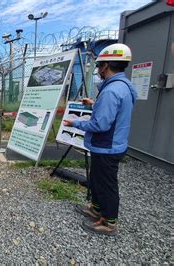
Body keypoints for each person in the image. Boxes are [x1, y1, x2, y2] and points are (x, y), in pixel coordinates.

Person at [63, 43, 137, 235]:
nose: (98, 70)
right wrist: (95, 103)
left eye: (99, 66)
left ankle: (109, 222)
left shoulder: (111, 91)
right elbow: (112, 111)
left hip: (107, 146)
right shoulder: (122, 87)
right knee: (96, 179)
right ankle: (96, 209)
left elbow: (100, 125)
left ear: (106, 66)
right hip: (110, 145)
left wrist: (76, 123)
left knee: (106, 184)